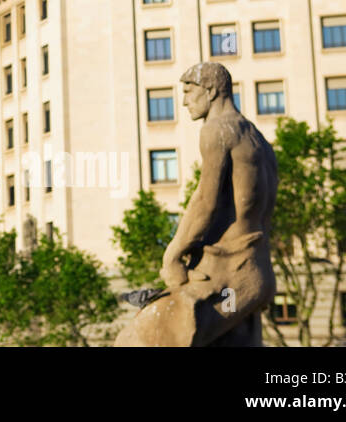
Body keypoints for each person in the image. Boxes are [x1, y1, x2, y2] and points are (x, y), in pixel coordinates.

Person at [117, 61, 278, 347]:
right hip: (257, 273)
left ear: (212, 91)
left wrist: (172, 256)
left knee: (137, 339)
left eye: (189, 91)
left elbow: (206, 201)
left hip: (227, 274)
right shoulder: (260, 141)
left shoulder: (217, 130)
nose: (183, 101)